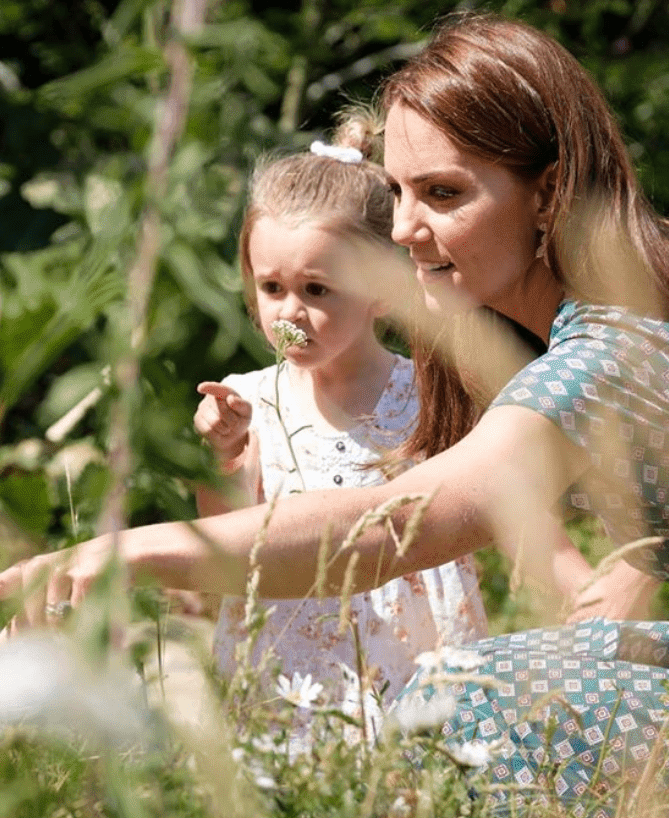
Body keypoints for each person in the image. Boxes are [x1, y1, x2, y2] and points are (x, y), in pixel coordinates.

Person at [0, 14, 669, 817]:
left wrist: (122, 549)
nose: (405, 229)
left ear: (549, 193)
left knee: (461, 695)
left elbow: (398, 525)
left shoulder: (612, 352)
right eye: (400, 192)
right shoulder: (662, 278)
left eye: (444, 193)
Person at [192, 118, 487, 734]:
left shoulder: (428, 394)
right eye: (272, 287)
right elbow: (223, 545)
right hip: (283, 665)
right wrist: (224, 455)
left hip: (405, 659)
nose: (289, 312)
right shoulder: (250, 398)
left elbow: (478, 509)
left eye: (317, 289)